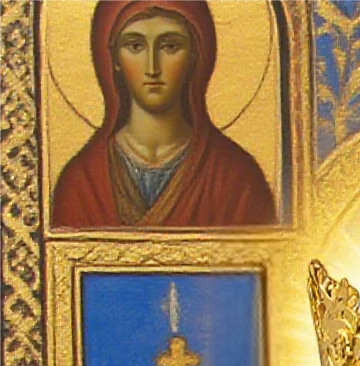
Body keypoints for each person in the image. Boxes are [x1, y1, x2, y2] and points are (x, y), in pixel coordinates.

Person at [52, 0, 277, 229]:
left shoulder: (236, 179)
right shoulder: (81, 182)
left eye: (170, 46)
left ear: (195, 56)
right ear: (114, 59)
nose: (152, 67)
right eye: (135, 46)